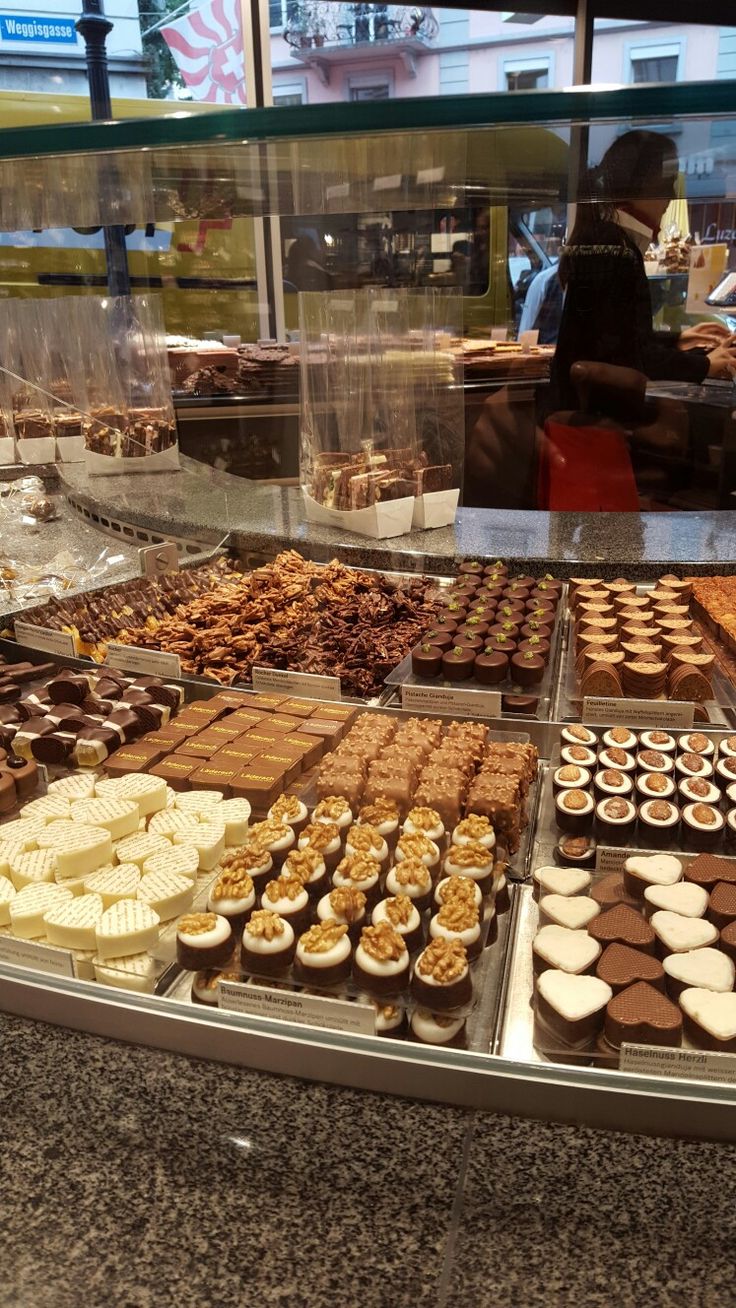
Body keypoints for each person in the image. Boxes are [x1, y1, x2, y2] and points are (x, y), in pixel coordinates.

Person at [549, 129, 736, 410]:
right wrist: (705, 364)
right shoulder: (615, 247)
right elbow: (632, 358)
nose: (672, 197)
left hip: (581, 410)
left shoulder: (603, 238)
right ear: (642, 184)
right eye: (667, 183)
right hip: (597, 417)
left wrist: (678, 339)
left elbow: (617, 339)